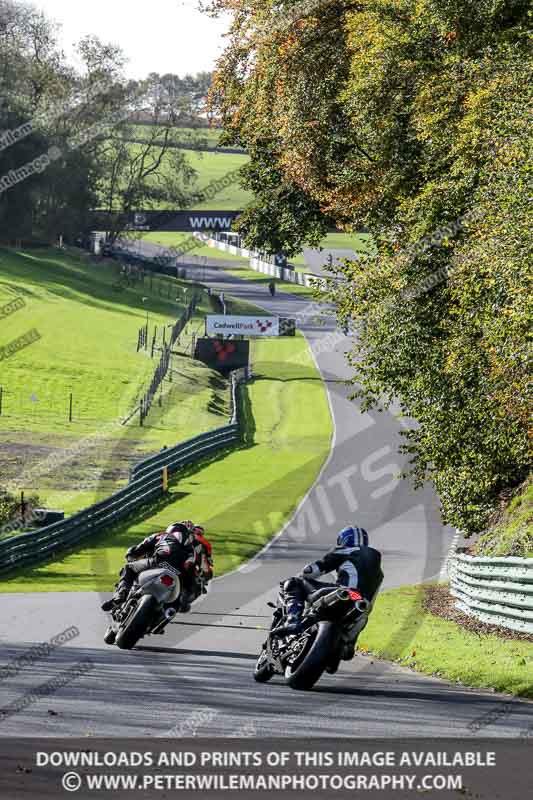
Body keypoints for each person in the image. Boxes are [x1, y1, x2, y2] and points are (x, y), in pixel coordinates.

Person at [278, 526, 383, 658]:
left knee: (294, 582)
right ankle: (347, 644)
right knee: (362, 616)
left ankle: (292, 619)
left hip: (343, 593)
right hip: (361, 604)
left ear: (344, 540)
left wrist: (307, 571)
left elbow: (310, 572)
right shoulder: (379, 569)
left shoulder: (346, 550)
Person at [101, 521, 201, 613]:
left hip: (158, 562)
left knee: (129, 567)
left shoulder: (161, 536)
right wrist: (186, 597)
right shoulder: (193, 551)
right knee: (175, 605)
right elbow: (193, 577)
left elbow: (138, 549)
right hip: (178, 575)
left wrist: (131, 555)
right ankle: (165, 616)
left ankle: (121, 594)